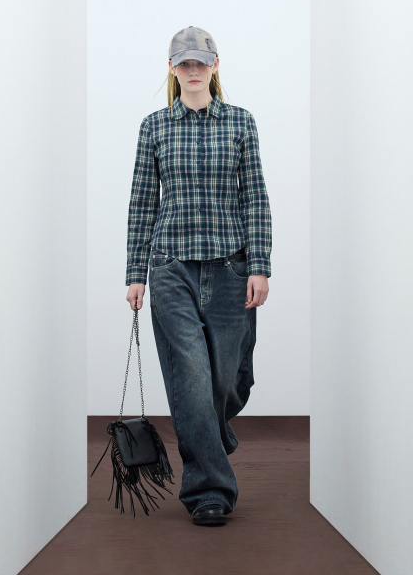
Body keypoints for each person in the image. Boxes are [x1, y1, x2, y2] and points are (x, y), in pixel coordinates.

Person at [125, 26, 272, 526]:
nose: (193, 70)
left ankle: (211, 430)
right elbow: (142, 203)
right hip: (170, 270)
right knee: (190, 377)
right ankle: (209, 490)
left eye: (200, 62)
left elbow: (255, 198)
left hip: (231, 269)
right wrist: (136, 273)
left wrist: (260, 265)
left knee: (226, 381)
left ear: (215, 65)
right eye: (184, 62)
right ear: (172, 68)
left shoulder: (241, 123)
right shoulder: (154, 127)